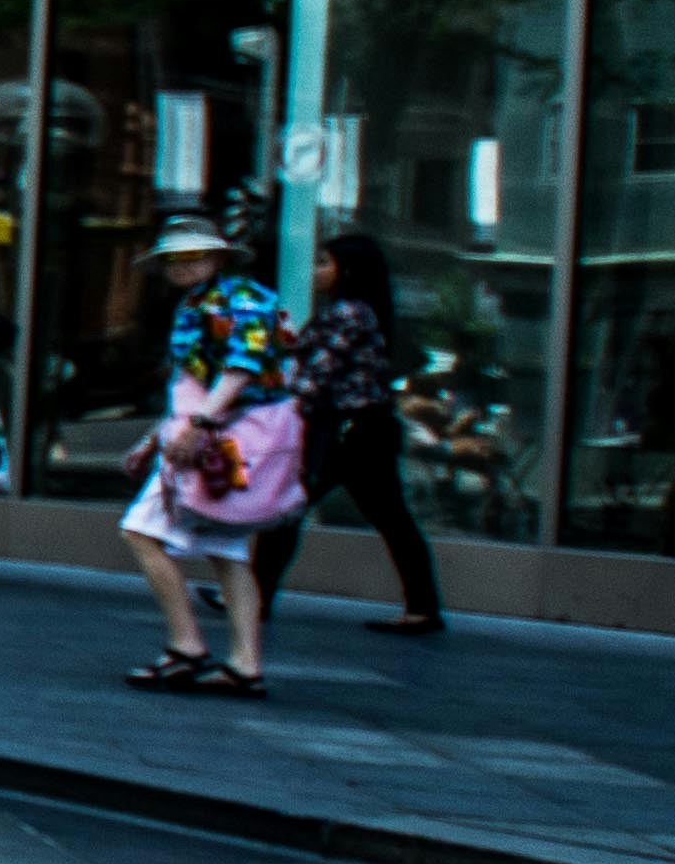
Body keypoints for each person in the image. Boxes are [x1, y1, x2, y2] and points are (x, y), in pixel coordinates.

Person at [117, 209, 299, 693]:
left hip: (220, 440)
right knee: (228, 553)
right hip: (220, 441)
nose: (182, 265)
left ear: (218, 255)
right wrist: (156, 438)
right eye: (173, 258)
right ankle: (244, 665)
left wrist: (194, 427)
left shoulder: (241, 298)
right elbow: (191, 383)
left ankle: (187, 647)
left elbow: (240, 366)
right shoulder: (202, 302)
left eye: (193, 255)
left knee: (140, 531)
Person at [269, 224, 447, 634]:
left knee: (291, 506)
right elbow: (310, 354)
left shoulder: (350, 313)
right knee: (385, 519)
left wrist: (287, 409)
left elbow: (320, 372)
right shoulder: (348, 311)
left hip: (355, 432)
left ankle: (250, 595)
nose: (317, 270)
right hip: (361, 429)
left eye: (324, 262)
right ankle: (423, 608)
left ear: (346, 270)